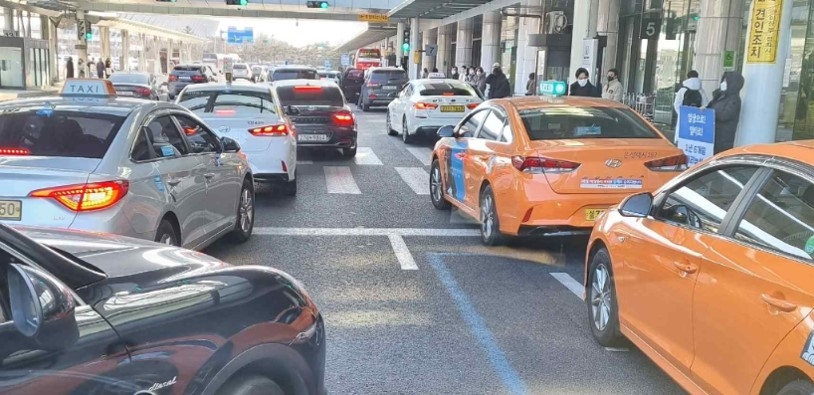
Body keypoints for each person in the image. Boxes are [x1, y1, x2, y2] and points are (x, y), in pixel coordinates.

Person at [706, 71, 745, 154]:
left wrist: (711, 112)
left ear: (733, 84)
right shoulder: (720, 96)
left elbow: (724, 115)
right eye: (723, 80)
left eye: (726, 81)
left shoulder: (734, 100)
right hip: (714, 135)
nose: (723, 83)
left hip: (723, 138)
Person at [673, 70, 710, 143]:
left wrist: (682, 114)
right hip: (696, 118)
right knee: (694, 136)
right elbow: (706, 104)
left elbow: (676, 104)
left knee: (683, 134)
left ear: (687, 77)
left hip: (684, 117)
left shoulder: (683, 90)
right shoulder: (701, 90)